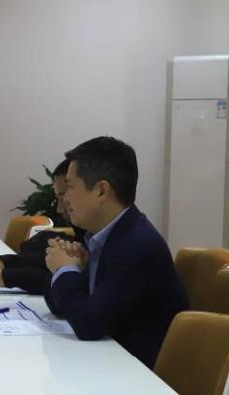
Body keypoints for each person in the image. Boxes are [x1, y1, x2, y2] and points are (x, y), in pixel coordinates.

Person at [44, 136, 188, 368]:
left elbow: (88, 324)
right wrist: (72, 269)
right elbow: (62, 307)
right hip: (109, 361)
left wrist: (64, 269)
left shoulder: (136, 244)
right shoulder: (103, 235)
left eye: (70, 187)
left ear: (101, 191)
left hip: (140, 376)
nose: (65, 199)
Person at [0, 159, 85, 295]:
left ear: (100, 191)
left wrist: (10, 277)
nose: (59, 209)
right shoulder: (85, 237)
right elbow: (43, 265)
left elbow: (66, 284)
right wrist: (5, 263)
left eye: (64, 195)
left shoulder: (103, 247)